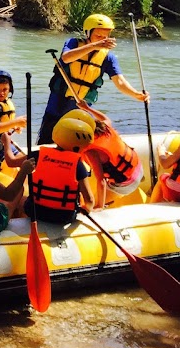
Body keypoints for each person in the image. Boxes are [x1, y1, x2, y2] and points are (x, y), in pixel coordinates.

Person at [38, 13, 148, 145]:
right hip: (59, 102)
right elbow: (66, 58)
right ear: (87, 33)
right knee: (48, 137)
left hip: (82, 106)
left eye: (105, 37)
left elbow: (119, 81)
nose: (102, 40)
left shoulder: (108, 58)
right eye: (98, 36)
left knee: (76, 141)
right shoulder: (73, 43)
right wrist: (95, 46)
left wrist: (136, 95)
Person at [20, 115, 95, 225]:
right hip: (64, 217)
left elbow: (11, 161)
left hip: (34, 211)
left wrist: (7, 142)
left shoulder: (39, 154)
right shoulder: (78, 165)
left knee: (21, 199)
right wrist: (86, 209)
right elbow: (90, 200)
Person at [70, 105, 143, 209]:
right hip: (138, 167)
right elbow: (106, 118)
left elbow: (101, 181)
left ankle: (105, 205)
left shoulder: (91, 152)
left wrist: (99, 206)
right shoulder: (103, 127)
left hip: (127, 183)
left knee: (92, 205)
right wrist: (87, 108)